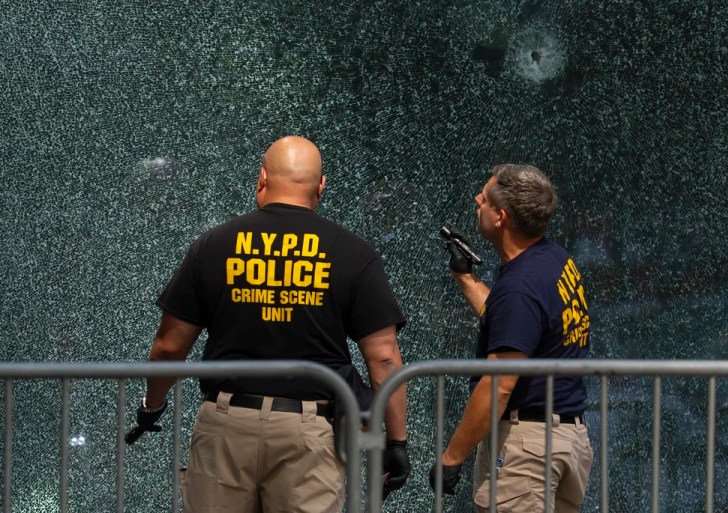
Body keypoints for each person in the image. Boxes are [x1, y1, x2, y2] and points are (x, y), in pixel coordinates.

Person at [126, 135, 410, 513]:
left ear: (261, 178)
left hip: (226, 426)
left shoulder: (215, 244)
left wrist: (153, 404)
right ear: (321, 186)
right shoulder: (353, 252)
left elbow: (169, 347)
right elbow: (385, 359)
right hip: (310, 432)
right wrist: (396, 443)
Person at [429, 164, 592, 512]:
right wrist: (465, 277)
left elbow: (499, 386)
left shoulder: (519, 288)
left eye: (484, 199)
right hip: (566, 439)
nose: (477, 199)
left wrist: (452, 457)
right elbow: (517, 324)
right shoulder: (555, 259)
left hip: (527, 453)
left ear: (501, 217)